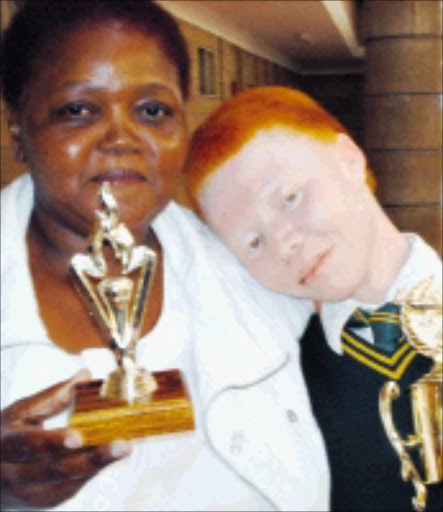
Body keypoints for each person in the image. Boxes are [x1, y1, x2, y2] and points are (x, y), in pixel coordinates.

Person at [0, 3, 330, 511]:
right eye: (78, 111)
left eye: (153, 111)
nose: (121, 139)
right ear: (18, 127)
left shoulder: (250, 261)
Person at [184, 86, 442, 511]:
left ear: (349, 160)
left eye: (290, 198)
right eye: (253, 243)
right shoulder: (281, 379)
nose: (284, 243)